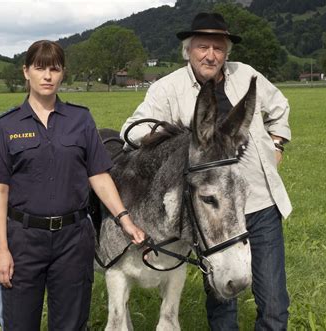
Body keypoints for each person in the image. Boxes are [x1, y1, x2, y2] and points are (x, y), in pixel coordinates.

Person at [120, 12, 292, 330]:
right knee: (222, 298)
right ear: (189, 50)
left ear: (226, 52)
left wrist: (277, 144)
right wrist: (166, 140)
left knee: (273, 303)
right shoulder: (167, 89)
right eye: (203, 47)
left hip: (259, 203)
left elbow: (279, 107)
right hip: (212, 212)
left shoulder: (246, 75)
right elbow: (131, 128)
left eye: (218, 47)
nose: (210, 55)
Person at [0, 40, 145, 331]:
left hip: (73, 241)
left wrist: (125, 219)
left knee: (71, 325)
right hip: (24, 240)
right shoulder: (8, 125)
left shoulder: (80, 120)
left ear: (62, 74)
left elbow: (98, 175)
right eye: (40, 68)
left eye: (54, 69)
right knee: (20, 324)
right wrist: (2, 250)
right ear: (26, 72)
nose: (47, 76)